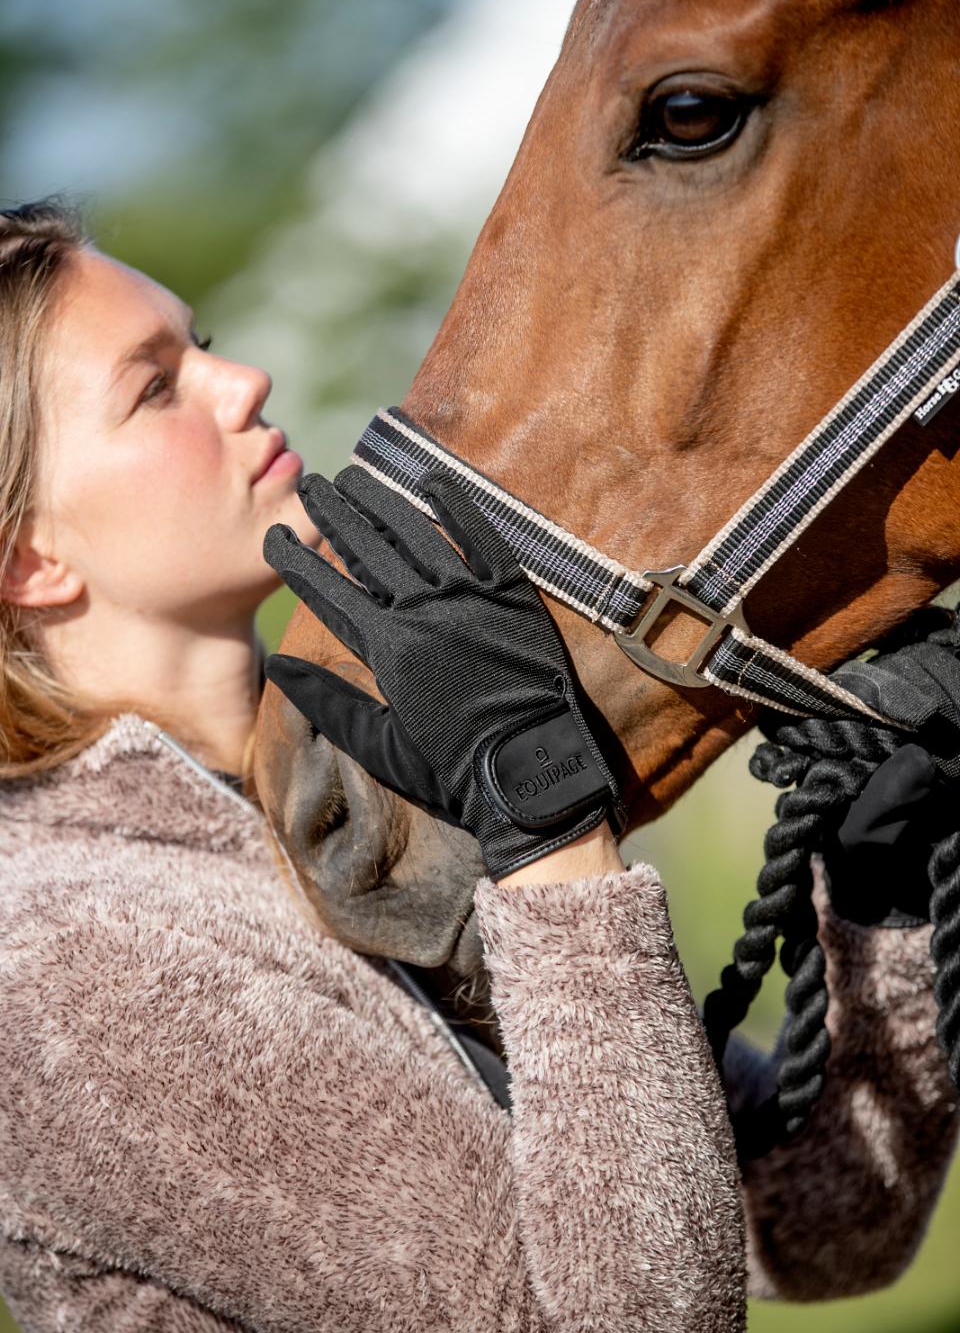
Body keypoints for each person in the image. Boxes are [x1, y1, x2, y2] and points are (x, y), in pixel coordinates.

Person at [0, 198, 953, 1332]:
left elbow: (819, 1227)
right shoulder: (62, 973)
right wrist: (548, 824)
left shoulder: (363, 776)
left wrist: (877, 872)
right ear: (29, 560)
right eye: (154, 387)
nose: (241, 380)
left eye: (197, 345)